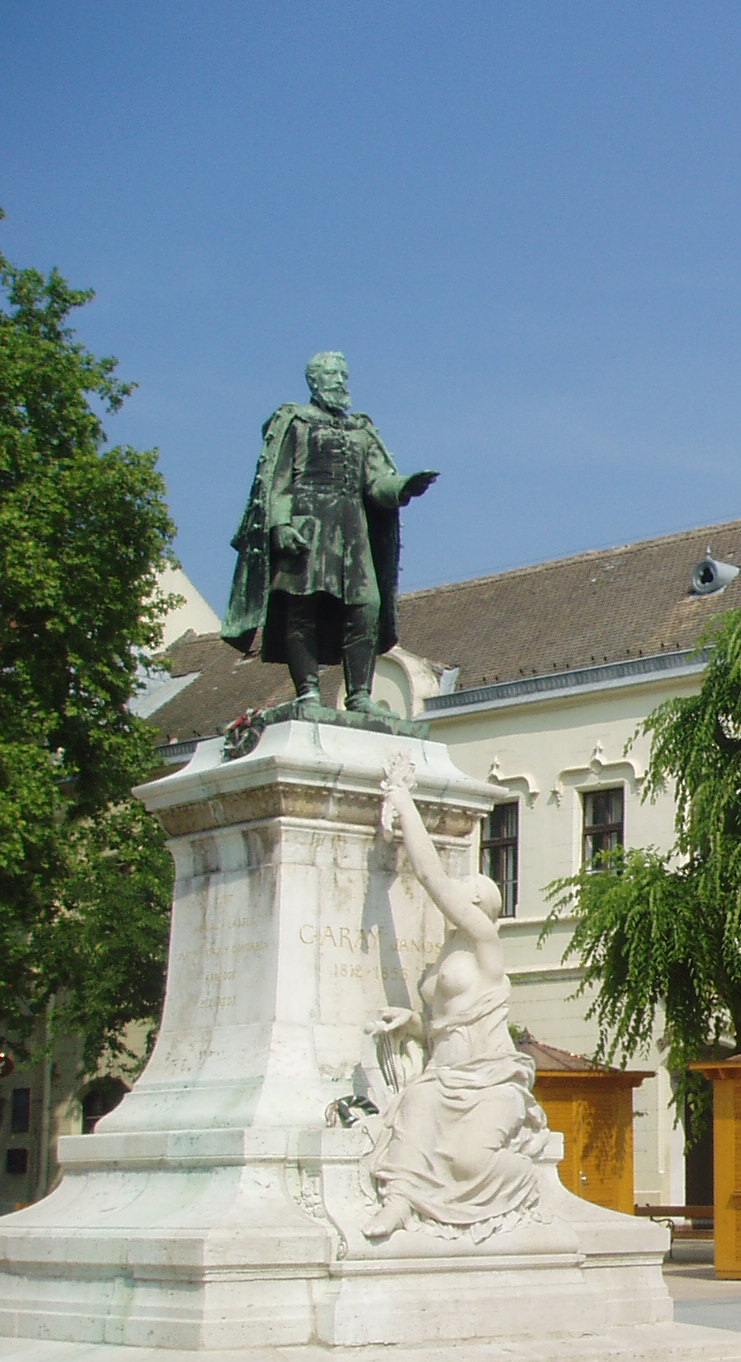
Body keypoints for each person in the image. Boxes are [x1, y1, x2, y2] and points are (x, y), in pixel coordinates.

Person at [363, 771, 556, 1239]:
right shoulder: (444, 955)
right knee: (416, 1102)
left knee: (470, 1162)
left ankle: (529, 1181)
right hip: (443, 1075)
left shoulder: (486, 943)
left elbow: (431, 877)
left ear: (479, 903)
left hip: (490, 1079)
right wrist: (412, 1023)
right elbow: (443, 1026)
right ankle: (400, 1201)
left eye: (470, 887)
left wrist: (403, 803)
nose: (460, 889)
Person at [224, 352, 439, 711]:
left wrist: (403, 486)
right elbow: (276, 480)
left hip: (352, 529)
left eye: (344, 375)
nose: (340, 381)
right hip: (308, 523)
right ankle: (308, 691)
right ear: (314, 380)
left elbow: (376, 482)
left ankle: (359, 695)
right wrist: (280, 524)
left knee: (367, 607)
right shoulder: (295, 422)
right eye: (332, 374)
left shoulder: (361, 429)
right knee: (302, 607)